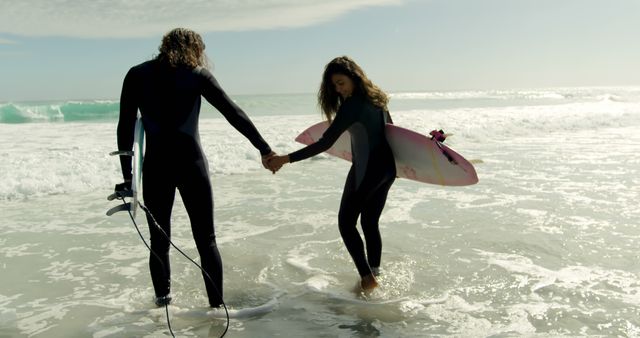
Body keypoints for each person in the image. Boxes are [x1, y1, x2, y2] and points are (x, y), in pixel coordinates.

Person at [116, 28, 275, 307]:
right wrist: (264, 149)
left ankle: (162, 306)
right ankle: (217, 309)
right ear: (195, 49)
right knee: (207, 241)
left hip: (155, 168)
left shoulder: (136, 74)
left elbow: (125, 127)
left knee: (159, 241)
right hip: (192, 165)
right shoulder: (197, 74)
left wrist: (128, 175)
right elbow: (233, 112)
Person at [268, 56, 396, 291]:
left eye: (341, 83)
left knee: (346, 223)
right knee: (369, 223)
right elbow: (392, 132)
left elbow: (324, 143)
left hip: (366, 169)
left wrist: (285, 159)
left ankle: (368, 281)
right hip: (387, 169)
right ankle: (375, 274)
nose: (339, 89)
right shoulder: (378, 98)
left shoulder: (352, 105)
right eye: (335, 86)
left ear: (354, 77)